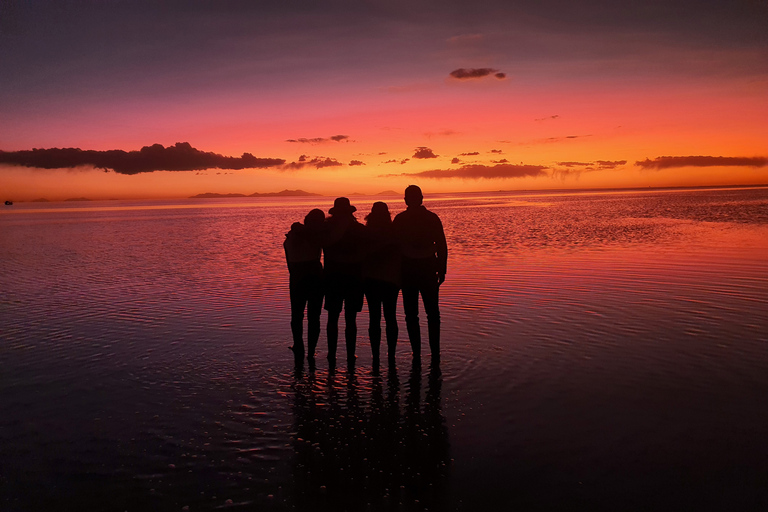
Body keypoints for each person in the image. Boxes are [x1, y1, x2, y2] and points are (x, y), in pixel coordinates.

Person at [392, 185, 447, 361]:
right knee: (432, 313)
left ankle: (417, 353)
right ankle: (434, 353)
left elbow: (394, 248)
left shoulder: (400, 219)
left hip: (410, 269)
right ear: (421, 198)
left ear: (406, 200)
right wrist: (442, 268)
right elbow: (442, 245)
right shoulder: (431, 218)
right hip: (426, 268)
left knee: (412, 315)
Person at [323, 197, 366, 364]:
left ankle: (333, 354)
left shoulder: (327, 229)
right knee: (349, 318)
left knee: (334, 318)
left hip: (334, 278)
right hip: (352, 278)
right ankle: (349, 355)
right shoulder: (357, 229)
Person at [284, 208, 326, 362]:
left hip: (297, 276)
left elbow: (289, 256)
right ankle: (311, 351)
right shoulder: (319, 235)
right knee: (314, 316)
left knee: (297, 315)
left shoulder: (295, 233)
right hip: (314, 275)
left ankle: (299, 346)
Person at [362, 202, 401, 364]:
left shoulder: (365, 233)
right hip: (391, 280)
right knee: (390, 317)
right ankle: (391, 355)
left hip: (371, 279)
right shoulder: (394, 232)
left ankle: (376, 356)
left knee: (374, 317)